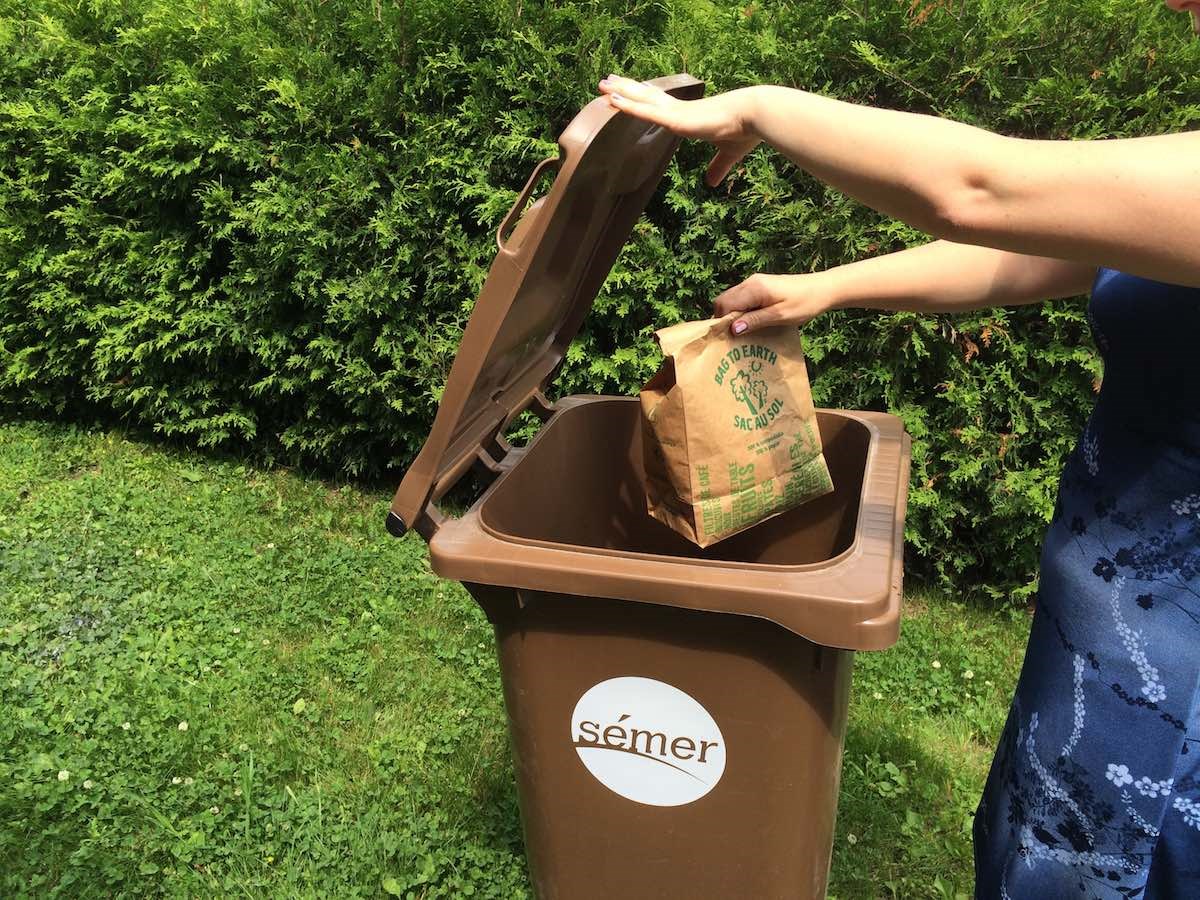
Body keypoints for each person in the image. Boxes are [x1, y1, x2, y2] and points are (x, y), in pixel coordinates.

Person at [598, 4, 1200, 897]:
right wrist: (828, 287)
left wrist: (762, 106)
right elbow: (1034, 251)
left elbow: (984, 188)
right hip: (1107, 636)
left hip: (1175, 690)